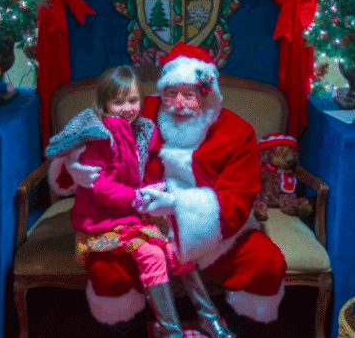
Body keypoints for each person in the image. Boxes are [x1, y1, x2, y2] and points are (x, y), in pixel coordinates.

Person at [51, 44, 287, 333]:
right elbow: (87, 133)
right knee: (107, 270)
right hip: (134, 221)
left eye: (189, 95)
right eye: (170, 94)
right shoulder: (139, 110)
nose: (178, 103)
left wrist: (178, 206)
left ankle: (234, 325)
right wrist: (73, 166)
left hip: (212, 233)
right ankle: (136, 329)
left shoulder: (237, 132)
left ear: (207, 95)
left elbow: (237, 200)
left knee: (265, 262)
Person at [45, 65, 236, 338]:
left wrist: (153, 190)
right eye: (118, 101)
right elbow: (101, 186)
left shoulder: (140, 130)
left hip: (127, 216)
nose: (127, 108)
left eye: (133, 101)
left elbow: (139, 172)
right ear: (105, 103)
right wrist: (136, 197)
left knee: (178, 247)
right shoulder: (97, 135)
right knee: (153, 254)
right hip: (100, 224)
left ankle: (208, 316)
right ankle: (171, 330)